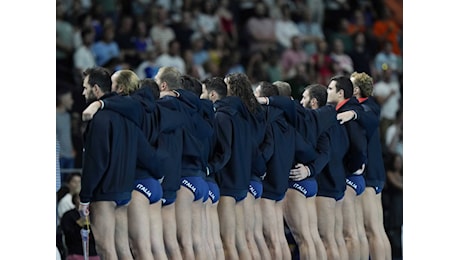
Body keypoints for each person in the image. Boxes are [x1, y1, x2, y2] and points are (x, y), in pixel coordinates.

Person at [78, 67, 165, 260]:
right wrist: (159, 172)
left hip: (105, 193)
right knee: (123, 249)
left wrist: (85, 197)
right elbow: (144, 150)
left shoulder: (99, 118)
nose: (83, 92)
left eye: (86, 88)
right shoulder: (128, 116)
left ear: (96, 89)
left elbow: (96, 161)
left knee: (106, 249)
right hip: (124, 191)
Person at [337, 72, 393, 260]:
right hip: (375, 172)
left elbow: (368, 116)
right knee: (375, 229)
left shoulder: (367, 106)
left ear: (357, 89)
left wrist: (352, 113)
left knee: (370, 229)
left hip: (369, 173)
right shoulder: (368, 107)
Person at [204, 74, 252, 260]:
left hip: (228, 184)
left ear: (213, 95)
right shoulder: (242, 115)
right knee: (241, 242)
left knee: (228, 242)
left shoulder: (222, 116)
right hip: (241, 181)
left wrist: (210, 168)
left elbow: (225, 152)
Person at [326, 75, 368, 260]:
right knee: (356, 233)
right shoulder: (352, 109)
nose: (327, 91)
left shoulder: (348, 112)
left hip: (350, 177)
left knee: (348, 234)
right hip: (355, 178)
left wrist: (352, 168)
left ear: (340, 93)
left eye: (330, 89)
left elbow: (359, 145)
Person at [60, 193, 101, 260]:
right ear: (74, 200)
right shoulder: (68, 215)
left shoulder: (95, 215)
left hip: (95, 253)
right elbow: (68, 235)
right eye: (80, 198)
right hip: (76, 253)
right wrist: (80, 224)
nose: (83, 201)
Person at [56, 87, 76, 181]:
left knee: (68, 184)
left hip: (69, 156)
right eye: (70, 98)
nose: (72, 101)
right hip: (59, 157)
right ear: (63, 99)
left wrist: (72, 149)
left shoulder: (68, 116)